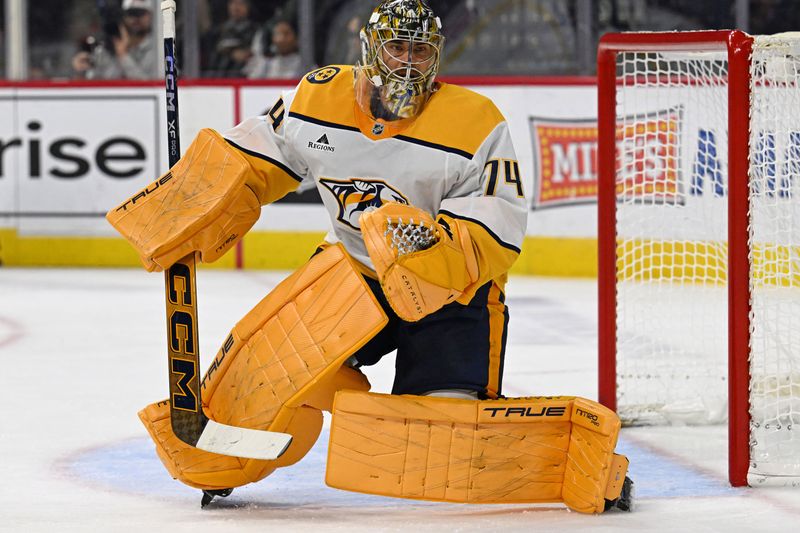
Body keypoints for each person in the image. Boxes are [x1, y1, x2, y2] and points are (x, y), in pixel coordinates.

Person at [107, 0, 631, 514]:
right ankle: (225, 462)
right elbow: (255, 158)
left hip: (446, 297)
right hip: (349, 277)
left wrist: (425, 254)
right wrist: (199, 196)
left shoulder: (476, 122)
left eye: (421, 51)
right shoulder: (317, 98)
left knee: (436, 442)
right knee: (252, 386)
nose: (408, 62)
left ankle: (576, 465)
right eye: (397, 47)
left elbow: (497, 230)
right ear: (369, 49)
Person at [71, 0, 158, 80]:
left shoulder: (157, 48)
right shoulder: (107, 49)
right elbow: (93, 82)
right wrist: (81, 70)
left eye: (141, 13)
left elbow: (149, 87)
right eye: (131, 13)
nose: (135, 19)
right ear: (123, 17)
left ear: (150, 16)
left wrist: (123, 56)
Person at [204, 0, 258, 77]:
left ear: (247, 7)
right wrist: (230, 53)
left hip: (243, 77)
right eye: (233, 3)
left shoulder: (255, 31)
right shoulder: (217, 32)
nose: (236, 7)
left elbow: (254, 53)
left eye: (240, 4)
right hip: (217, 77)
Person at [246, 18, 312, 78]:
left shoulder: (306, 65)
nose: (281, 39)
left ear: (296, 38)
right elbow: (251, 87)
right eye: (277, 34)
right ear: (272, 38)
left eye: (286, 34)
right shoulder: (266, 64)